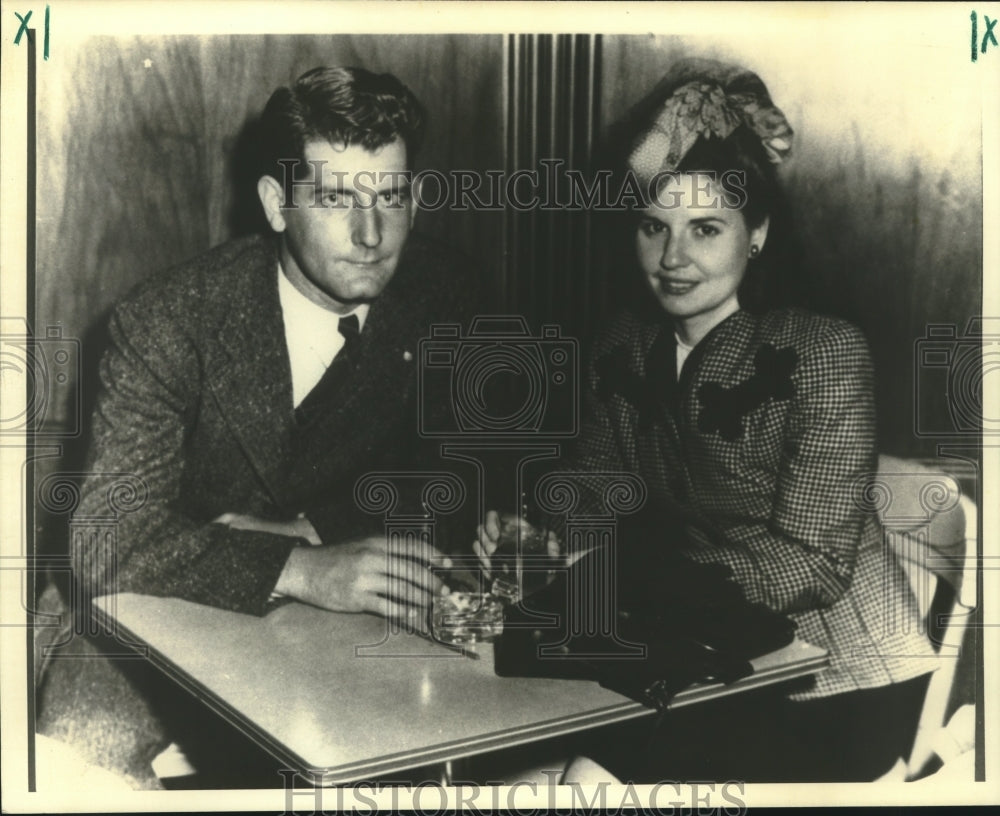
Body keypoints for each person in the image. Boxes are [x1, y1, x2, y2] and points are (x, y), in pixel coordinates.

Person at [477, 57, 937, 783]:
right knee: (528, 776)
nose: (672, 258)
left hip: (847, 677)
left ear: (756, 234)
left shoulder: (824, 351)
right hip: (711, 653)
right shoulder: (624, 342)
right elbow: (599, 478)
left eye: (705, 229)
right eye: (652, 227)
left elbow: (810, 562)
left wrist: (636, 583)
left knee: (584, 778)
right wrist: (548, 528)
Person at [36, 66, 478, 788]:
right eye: (337, 198)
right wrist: (301, 570)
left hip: (344, 628)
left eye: (392, 197)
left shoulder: (446, 294)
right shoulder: (170, 318)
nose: (372, 234)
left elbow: (461, 478)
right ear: (277, 203)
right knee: (84, 762)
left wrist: (309, 529)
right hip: (148, 610)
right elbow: (104, 539)